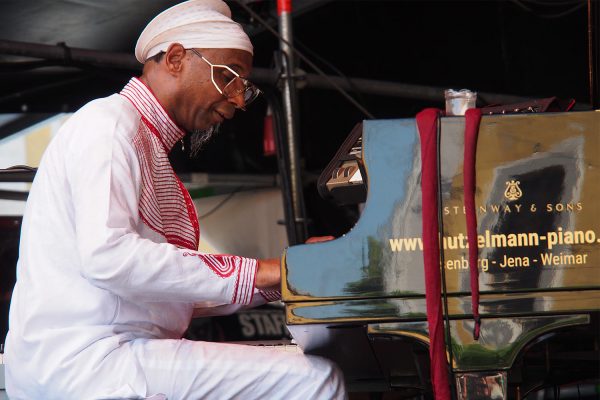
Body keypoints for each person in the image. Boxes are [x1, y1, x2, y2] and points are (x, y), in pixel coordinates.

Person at [4, 1, 346, 399]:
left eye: (244, 87)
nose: (238, 100)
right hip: (88, 362)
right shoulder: (109, 124)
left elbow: (166, 288)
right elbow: (108, 257)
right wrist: (270, 270)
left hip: (106, 358)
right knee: (316, 379)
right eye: (229, 77)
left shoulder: (144, 143)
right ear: (177, 59)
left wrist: (287, 277)